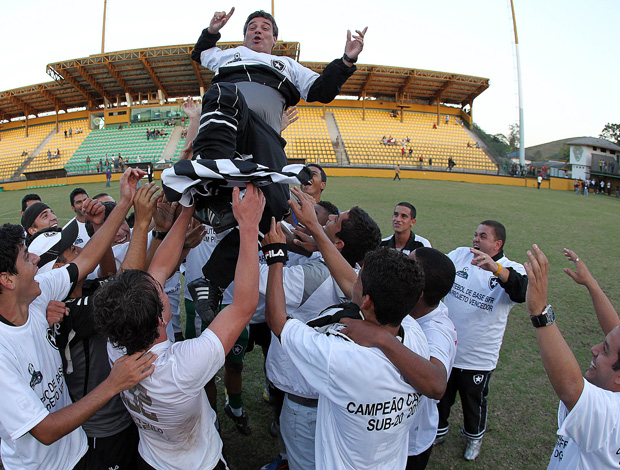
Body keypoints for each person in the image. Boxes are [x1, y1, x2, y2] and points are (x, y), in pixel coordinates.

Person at [168, 9, 367, 324]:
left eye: (264, 28)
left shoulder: (287, 66)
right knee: (222, 91)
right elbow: (201, 53)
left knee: (273, 211)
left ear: (275, 39)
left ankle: (211, 281)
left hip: (265, 140)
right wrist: (212, 30)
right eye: (251, 27)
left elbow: (322, 92)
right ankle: (214, 179)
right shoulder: (228, 56)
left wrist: (346, 60)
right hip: (228, 134)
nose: (257, 31)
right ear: (244, 35)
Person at [93, 184, 264, 470]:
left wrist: (186, 209)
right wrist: (248, 228)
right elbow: (243, 306)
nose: (159, 280)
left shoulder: (117, 343)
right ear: (161, 318)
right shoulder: (181, 367)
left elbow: (158, 268)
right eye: (159, 290)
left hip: (151, 459)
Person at [0, 169, 156, 470]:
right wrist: (113, 385)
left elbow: (86, 261)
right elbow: (44, 431)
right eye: (26, 257)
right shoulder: (4, 350)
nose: (33, 259)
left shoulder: (38, 296)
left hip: (78, 447)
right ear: (7, 279)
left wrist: (124, 202)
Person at [265, 224, 429, 469]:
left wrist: (275, 256)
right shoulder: (414, 334)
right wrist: (319, 236)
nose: (355, 280)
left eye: (359, 280)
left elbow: (278, 322)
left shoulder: (341, 355)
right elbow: (349, 281)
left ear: (367, 301)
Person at [436, 220, 527, 460]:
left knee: (473, 403)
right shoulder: (460, 255)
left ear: (497, 243)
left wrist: (496, 269)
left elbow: (522, 292)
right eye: (475, 234)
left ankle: (474, 438)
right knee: (441, 396)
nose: (476, 239)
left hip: (478, 357)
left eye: (483, 236)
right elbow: (436, 271)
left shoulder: (510, 268)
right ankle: (439, 430)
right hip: (448, 348)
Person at [525, 246, 620, 468]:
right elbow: (616, 333)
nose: (594, 349)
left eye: (604, 350)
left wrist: (540, 313)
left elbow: (570, 388)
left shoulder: (611, 418)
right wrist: (591, 284)